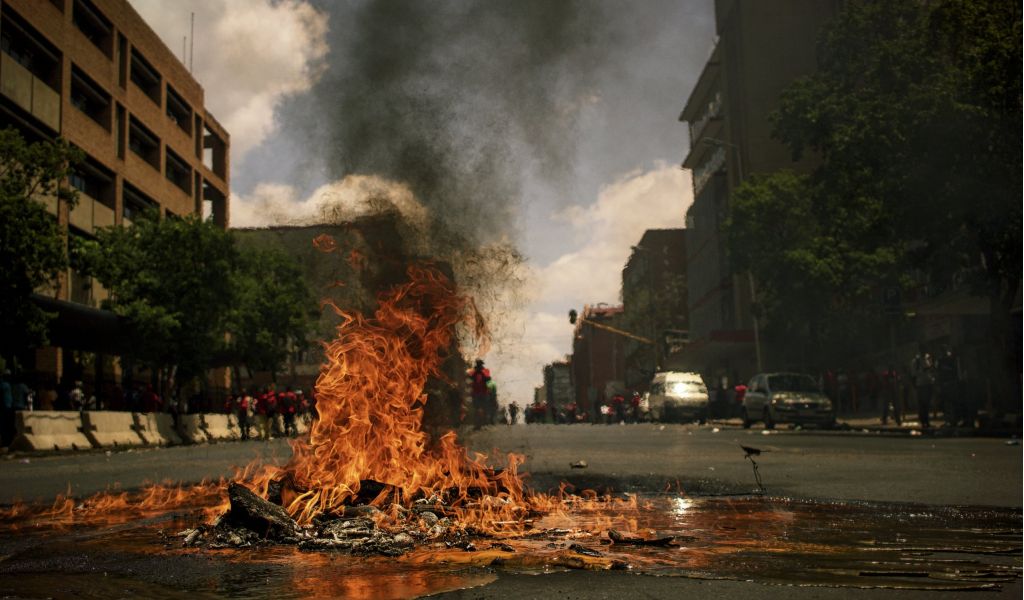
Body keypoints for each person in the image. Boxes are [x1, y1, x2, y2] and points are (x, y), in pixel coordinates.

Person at [911, 347, 935, 428]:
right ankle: (923, 421)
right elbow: (913, 374)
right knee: (922, 404)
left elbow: (932, 370)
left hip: (929, 383)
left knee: (927, 404)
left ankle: (927, 421)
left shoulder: (928, 358)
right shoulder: (916, 361)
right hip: (921, 384)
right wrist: (922, 370)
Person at [466, 359, 491, 430]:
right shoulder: (485, 371)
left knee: (477, 408)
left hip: (477, 392)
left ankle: (478, 425)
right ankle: (481, 424)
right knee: (482, 408)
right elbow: (489, 378)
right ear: (482, 364)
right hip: (482, 392)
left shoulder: (473, 371)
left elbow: (469, 376)